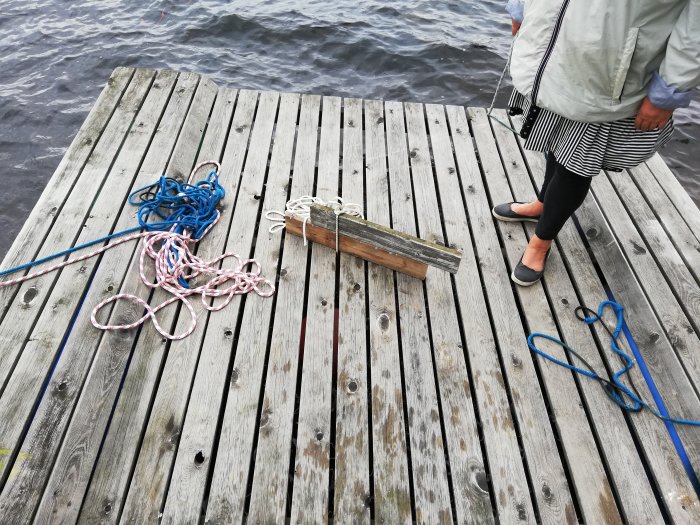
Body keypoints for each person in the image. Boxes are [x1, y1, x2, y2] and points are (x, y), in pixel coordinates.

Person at [492, 0, 699, 286]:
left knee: (577, 162)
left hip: (607, 72)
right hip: (553, 51)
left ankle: (541, 241)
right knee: (558, 142)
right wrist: (522, 8)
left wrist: (670, 89)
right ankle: (542, 203)